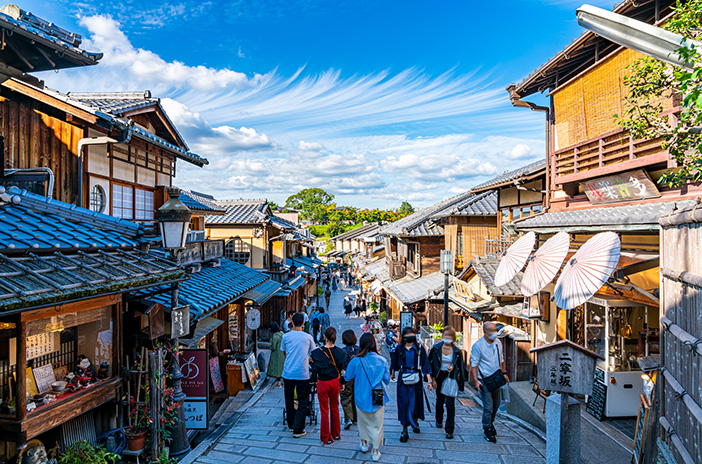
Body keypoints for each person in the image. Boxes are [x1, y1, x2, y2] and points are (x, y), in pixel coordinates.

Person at [344, 333, 390, 462]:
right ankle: (375, 451)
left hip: (361, 395)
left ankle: (364, 443)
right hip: (377, 396)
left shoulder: (356, 360)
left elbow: (347, 377)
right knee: (377, 424)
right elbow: (386, 380)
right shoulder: (382, 360)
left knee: (362, 421)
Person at [390, 326, 432, 443]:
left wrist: (429, 381)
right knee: (404, 403)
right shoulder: (399, 348)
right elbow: (394, 363)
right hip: (403, 378)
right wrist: (393, 373)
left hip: (416, 379)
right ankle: (404, 428)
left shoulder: (419, 349)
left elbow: (425, 365)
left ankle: (414, 421)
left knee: (415, 402)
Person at [471, 321, 509, 443]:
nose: (495, 333)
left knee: (496, 404)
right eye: (492, 330)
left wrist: (504, 373)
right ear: (485, 332)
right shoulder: (478, 346)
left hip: (496, 377)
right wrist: (476, 380)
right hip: (484, 379)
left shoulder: (498, 342)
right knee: (488, 406)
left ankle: (490, 423)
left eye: (495, 330)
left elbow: (501, 359)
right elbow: (474, 365)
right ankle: (486, 428)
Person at [281, 312, 316, 438]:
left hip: (288, 371)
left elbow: (284, 352)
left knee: (289, 399)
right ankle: (298, 428)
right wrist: (308, 360)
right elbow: (314, 353)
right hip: (302, 372)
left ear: (292, 323)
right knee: (303, 400)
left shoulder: (286, 336)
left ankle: (291, 424)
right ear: (303, 323)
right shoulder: (307, 337)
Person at [310, 327, 348, 444]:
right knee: (335, 407)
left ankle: (326, 436)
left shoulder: (317, 353)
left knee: (324, 410)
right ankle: (336, 433)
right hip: (335, 381)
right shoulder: (341, 353)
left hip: (322, 382)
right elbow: (342, 370)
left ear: (324, 337)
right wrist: (342, 382)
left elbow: (315, 370)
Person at [428, 326, 466, 439]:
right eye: (446, 336)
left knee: (450, 404)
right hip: (439, 376)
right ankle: (438, 420)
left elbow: (461, 368)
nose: (447, 338)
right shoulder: (435, 349)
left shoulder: (457, 352)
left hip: (450, 377)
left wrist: (454, 368)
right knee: (439, 401)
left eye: (450, 336)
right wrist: (432, 379)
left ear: (453, 338)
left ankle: (449, 429)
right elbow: (430, 364)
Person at [340, 330, 359, 430]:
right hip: (358, 376)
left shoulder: (343, 351)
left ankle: (348, 418)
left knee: (346, 397)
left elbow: (341, 366)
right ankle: (356, 417)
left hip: (347, 376)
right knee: (355, 396)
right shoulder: (359, 350)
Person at [268, 322, 285, 387]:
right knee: (282, 367)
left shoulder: (275, 337)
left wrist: (270, 346)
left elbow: (273, 347)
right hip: (282, 353)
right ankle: (283, 381)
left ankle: (279, 382)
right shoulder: (282, 334)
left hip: (276, 354)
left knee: (277, 368)